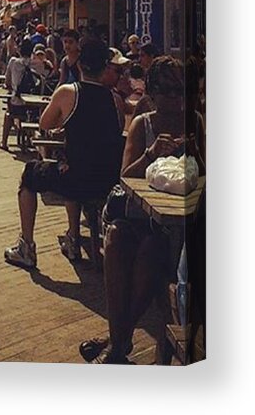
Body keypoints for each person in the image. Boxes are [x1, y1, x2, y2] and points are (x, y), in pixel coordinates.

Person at [80, 56, 205, 364]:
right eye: (166, 90)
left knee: (151, 250)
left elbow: (205, 175)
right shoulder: (142, 123)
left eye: (181, 90)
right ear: (152, 91)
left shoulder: (197, 121)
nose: (175, 98)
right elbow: (125, 175)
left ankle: (118, 341)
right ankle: (119, 340)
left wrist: (196, 152)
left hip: (173, 225)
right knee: (116, 240)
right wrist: (151, 153)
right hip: (137, 216)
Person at [4, 39, 124, 270]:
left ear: (79, 66)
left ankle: (26, 246)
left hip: (76, 179)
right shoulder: (115, 99)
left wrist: (65, 124)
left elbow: (45, 123)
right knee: (70, 164)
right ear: (104, 68)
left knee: (29, 175)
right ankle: (73, 237)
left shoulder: (67, 92)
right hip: (106, 181)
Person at [0, 38, 34, 152]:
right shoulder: (38, 63)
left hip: (17, 104)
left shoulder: (13, 62)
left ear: (19, 49)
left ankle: (4, 142)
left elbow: (7, 82)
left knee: (8, 114)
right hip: (33, 107)